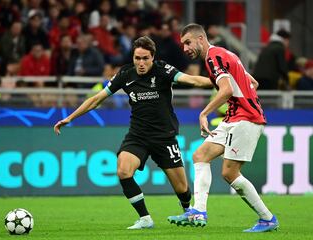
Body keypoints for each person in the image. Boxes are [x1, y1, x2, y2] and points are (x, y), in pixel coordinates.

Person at [54, 36, 212, 230]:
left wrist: (220, 80)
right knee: (123, 170)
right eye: (137, 58)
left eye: (145, 58)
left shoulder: (163, 70)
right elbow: (97, 99)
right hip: (138, 136)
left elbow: (192, 80)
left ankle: (188, 210)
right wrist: (70, 117)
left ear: (153, 57)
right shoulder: (125, 74)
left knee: (182, 189)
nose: (141, 63)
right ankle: (145, 218)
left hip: (164, 136)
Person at [167, 23, 279, 233]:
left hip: (245, 119)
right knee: (200, 155)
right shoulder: (224, 54)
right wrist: (245, 97)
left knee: (229, 173)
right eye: (183, 44)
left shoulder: (213, 57)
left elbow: (226, 90)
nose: (185, 48)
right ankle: (198, 211)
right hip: (235, 117)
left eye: (188, 42)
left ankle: (267, 218)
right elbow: (252, 82)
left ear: (201, 39)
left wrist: (204, 113)